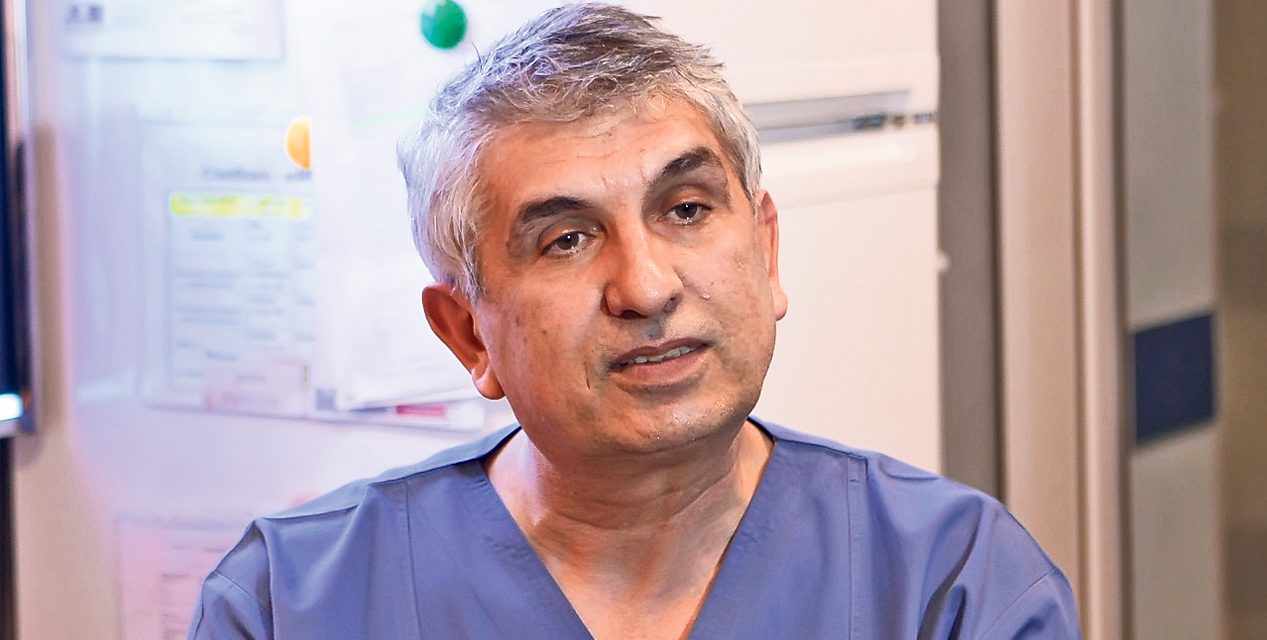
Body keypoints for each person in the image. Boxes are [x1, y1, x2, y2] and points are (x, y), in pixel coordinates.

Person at [189, 4, 1081, 639]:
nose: (646, 288)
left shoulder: (950, 585)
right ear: (466, 334)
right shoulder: (292, 603)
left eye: (686, 209)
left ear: (765, 252)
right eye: (567, 239)